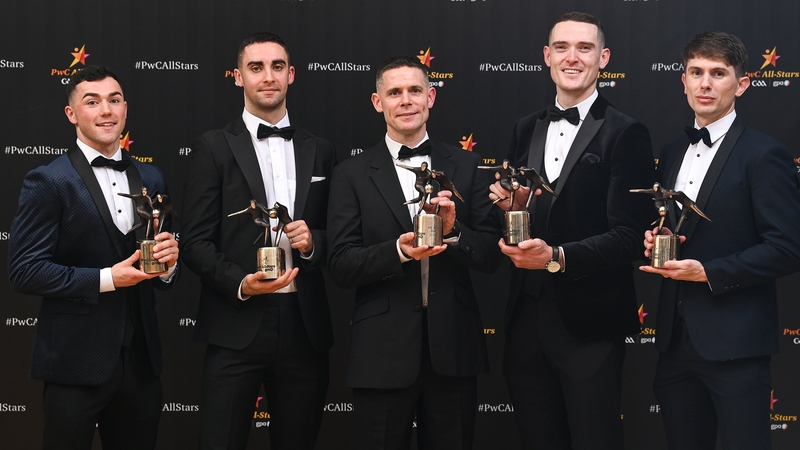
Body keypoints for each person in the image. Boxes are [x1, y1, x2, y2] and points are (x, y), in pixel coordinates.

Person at [488, 12, 654, 450]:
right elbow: (514, 217)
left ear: (604, 57)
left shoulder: (626, 132)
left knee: (594, 439)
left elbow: (629, 236)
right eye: (562, 47)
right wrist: (510, 210)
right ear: (547, 56)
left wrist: (558, 257)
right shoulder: (525, 128)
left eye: (584, 48)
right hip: (525, 319)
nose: (572, 57)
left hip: (589, 323)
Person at [326, 55, 502, 450]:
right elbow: (340, 264)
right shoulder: (350, 174)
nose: (405, 100)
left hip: (454, 349)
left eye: (415, 91)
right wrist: (398, 252)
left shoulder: (469, 166)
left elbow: (491, 256)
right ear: (378, 102)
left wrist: (455, 231)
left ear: (431, 97)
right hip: (380, 354)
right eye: (394, 92)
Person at [641, 31, 800, 450]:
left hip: (736, 348)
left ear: (741, 84)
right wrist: (660, 238)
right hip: (675, 343)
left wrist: (708, 271)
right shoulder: (674, 150)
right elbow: (689, 230)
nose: (705, 84)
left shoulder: (766, 155)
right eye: (696, 72)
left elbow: (787, 248)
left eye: (718, 73)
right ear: (684, 80)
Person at [7, 65, 179, 449]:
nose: (106, 110)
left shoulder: (152, 178)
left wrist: (169, 265)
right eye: (92, 101)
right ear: (72, 114)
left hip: (140, 363)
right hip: (73, 362)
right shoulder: (49, 180)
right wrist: (107, 278)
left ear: (125, 109)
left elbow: (166, 267)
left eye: (114, 100)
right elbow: (24, 271)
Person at [180, 32, 335, 450]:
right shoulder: (211, 147)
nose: (268, 76)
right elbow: (193, 241)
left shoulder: (321, 150)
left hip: (304, 325)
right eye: (256, 67)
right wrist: (241, 284)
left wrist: (313, 242)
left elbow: (339, 236)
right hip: (235, 321)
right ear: (238, 77)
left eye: (277, 66)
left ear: (292, 75)